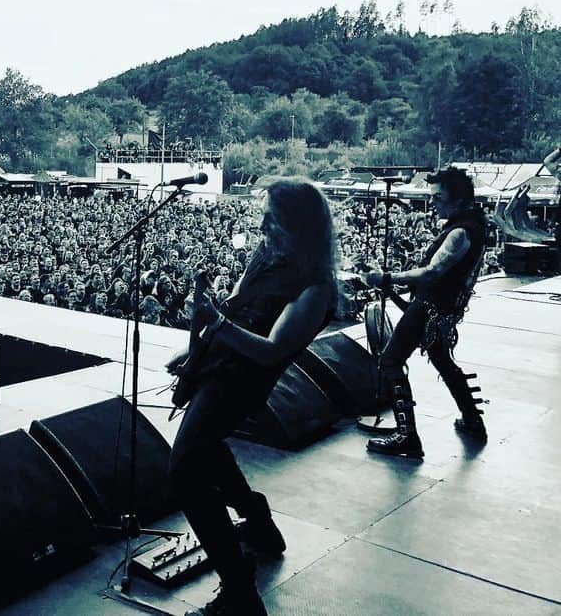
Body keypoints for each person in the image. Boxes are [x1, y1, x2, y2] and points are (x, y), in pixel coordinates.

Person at [166, 178, 337, 616]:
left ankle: (240, 591)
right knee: (208, 449)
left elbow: (272, 351)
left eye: (273, 219)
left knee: (185, 471)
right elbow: (235, 306)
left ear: (299, 227)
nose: (262, 224)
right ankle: (258, 523)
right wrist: (193, 350)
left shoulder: (316, 289)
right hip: (216, 368)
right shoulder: (266, 257)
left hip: (241, 385)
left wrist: (216, 326)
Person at [363, 167, 488, 457]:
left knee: (391, 361)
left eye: (438, 197)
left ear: (457, 199)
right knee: (443, 360)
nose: (432, 203)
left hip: (430, 307)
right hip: (442, 309)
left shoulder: (460, 233)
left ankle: (406, 435)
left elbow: (433, 273)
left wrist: (388, 278)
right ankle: (472, 418)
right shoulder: (472, 225)